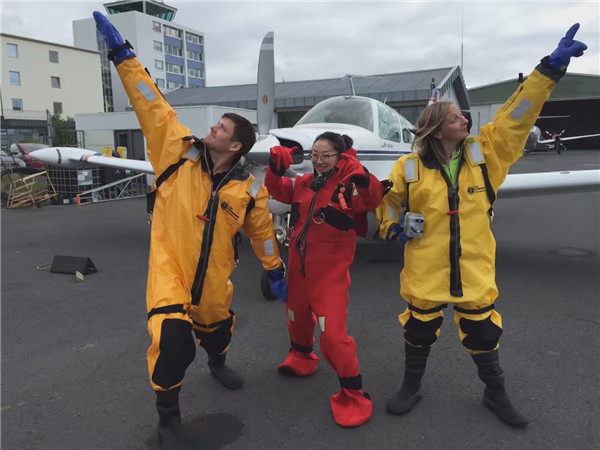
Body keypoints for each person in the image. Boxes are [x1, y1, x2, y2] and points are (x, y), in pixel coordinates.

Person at [376, 24, 587, 427]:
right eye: (455, 117)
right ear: (436, 127)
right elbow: (387, 204)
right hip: (425, 270)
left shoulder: (487, 154)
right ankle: (411, 386)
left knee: (484, 334)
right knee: (418, 331)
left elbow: (516, 116)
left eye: (463, 115)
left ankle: (495, 393)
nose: (465, 119)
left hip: (473, 267)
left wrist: (549, 71)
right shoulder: (408, 166)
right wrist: (394, 228)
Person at [93, 11, 287, 449]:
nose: (212, 127)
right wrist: (123, 55)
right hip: (169, 271)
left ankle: (217, 363)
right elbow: (150, 100)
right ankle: (169, 420)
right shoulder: (175, 154)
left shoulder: (249, 190)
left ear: (235, 145)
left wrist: (274, 268)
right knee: (174, 342)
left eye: (221, 127)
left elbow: (261, 233)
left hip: (215, 279)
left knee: (217, 331)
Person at [265, 132, 385, 427]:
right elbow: (278, 191)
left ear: (340, 157)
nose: (318, 161)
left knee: (332, 335)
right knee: (296, 316)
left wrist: (362, 176)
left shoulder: (348, 187)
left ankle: (353, 392)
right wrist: (274, 168)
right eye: (314, 155)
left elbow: (371, 200)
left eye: (326, 156)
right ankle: (301, 357)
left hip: (329, 274)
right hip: (298, 269)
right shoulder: (304, 183)